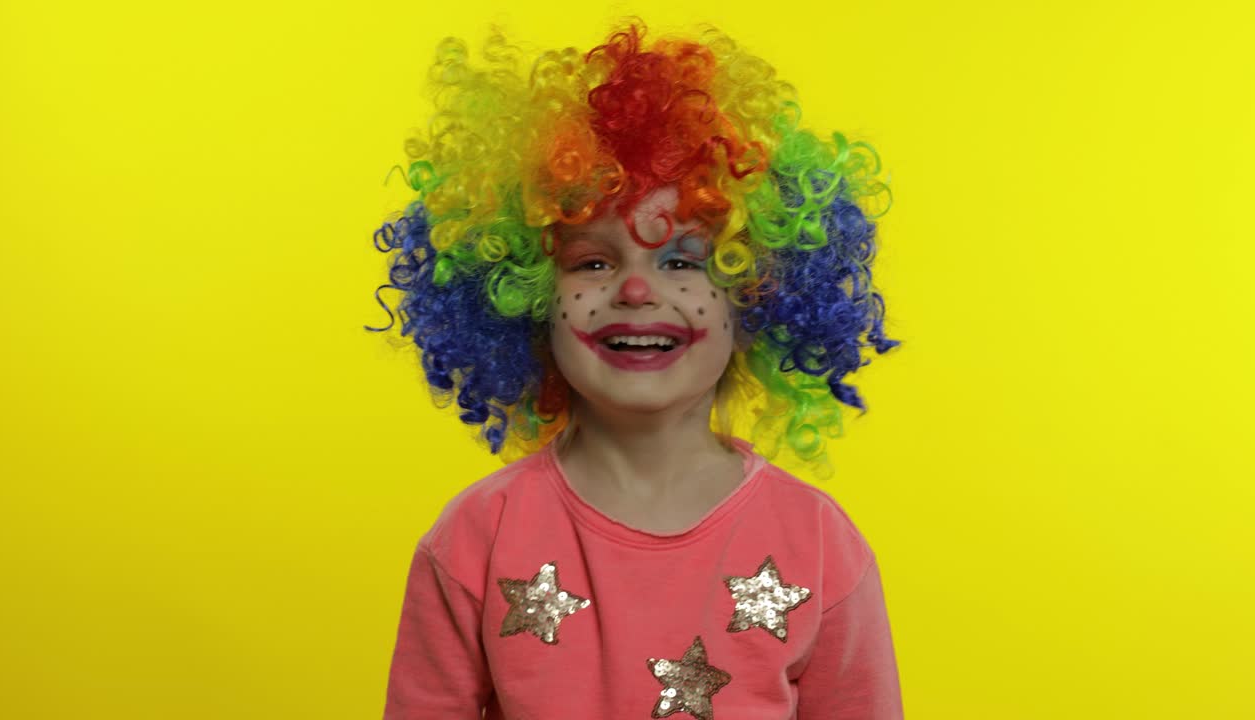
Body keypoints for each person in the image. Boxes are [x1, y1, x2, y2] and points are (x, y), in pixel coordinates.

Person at [370, 19, 904, 719]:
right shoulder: (477, 536)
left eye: (682, 260)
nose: (635, 290)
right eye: (592, 262)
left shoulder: (819, 544)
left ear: (760, 293)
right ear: (522, 292)